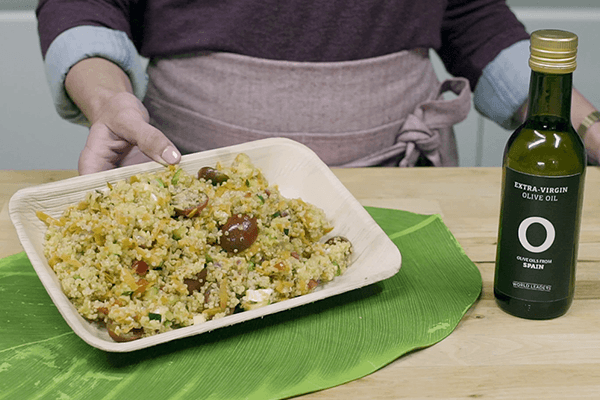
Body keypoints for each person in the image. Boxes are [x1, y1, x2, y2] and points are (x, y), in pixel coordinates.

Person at [36, 0, 600, 175]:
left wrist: (589, 129)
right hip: (189, 175)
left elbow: (470, 17)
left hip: (401, 187)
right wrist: (109, 100)